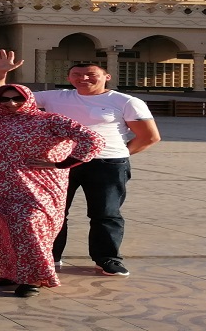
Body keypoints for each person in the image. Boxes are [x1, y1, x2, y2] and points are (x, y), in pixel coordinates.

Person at [0, 84, 104, 297]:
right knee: (2, 232)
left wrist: (62, 164)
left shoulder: (50, 120)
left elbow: (92, 140)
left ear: (29, 99)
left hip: (36, 190)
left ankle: (34, 278)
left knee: (30, 228)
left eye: (17, 98)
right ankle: (10, 273)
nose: (11, 103)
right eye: (4, 99)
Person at [36, 63, 161, 277]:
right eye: (76, 74)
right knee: (55, 211)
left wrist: (118, 155)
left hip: (107, 164)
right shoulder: (54, 97)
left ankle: (107, 258)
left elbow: (149, 137)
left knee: (106, 213)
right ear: (69, 77)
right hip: (62, 164)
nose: (83, 78)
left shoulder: (125, 101)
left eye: (90, 74)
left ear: (106, 77)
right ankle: (50, 256)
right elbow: (9, 96)